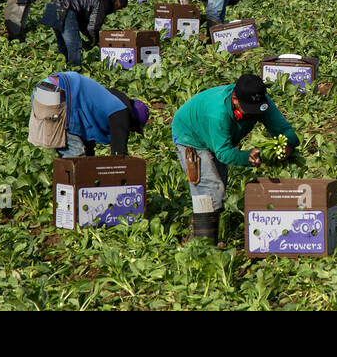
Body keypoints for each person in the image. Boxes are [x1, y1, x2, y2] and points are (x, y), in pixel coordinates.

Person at [170, 74, 300, 243]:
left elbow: (285, 130)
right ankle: (203, 247)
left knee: (219, 186)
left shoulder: (261, 102)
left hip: (218, 137)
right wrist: (248, 157)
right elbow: (223, 153)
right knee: (210, 190)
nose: (253, 113)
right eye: (249, 109)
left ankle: (200, 234)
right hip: (191, 135)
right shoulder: (218, 113)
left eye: (257, 109)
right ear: (235, 99)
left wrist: (288, 144)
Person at [28, 72, 149, 158]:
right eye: (132, 129)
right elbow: (119, 154)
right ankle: (75, 193)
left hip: (43, 89)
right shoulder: (121, 112)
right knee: (76, 159)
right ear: (133, 121)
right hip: (56, 92)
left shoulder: (105, 100)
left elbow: (87, 141)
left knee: (72, 159)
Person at [38, 0, 128, 67]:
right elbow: (93, 26)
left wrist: (91, 39)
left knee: (62, 43)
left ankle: (63, 69)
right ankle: (75, 71)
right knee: (74, 44)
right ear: (117, 0)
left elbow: (82, 24)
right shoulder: (105, 0)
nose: (116, 10)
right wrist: (98, 41)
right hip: (64, 6)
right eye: (119, 7)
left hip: (54, 3)